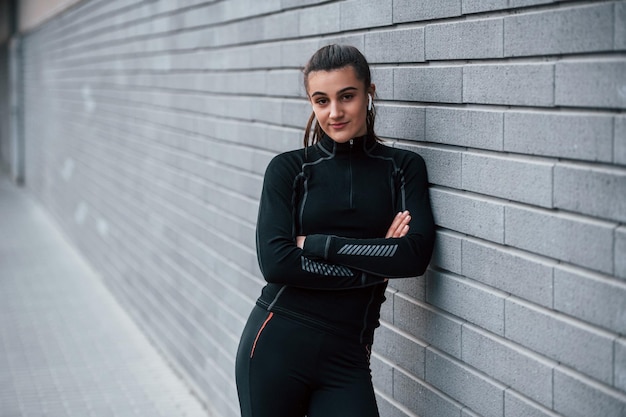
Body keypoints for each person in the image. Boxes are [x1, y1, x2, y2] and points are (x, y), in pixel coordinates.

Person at [235, 44, 435, 417]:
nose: (335, 112)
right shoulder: (289, 170)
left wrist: (315, 244)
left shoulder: (402, 168)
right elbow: (278, 264)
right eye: (321, 100)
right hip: (276, 346)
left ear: (368, 94)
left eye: (347, 96)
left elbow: (414, 255)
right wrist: (378, 256)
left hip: (348, 356)